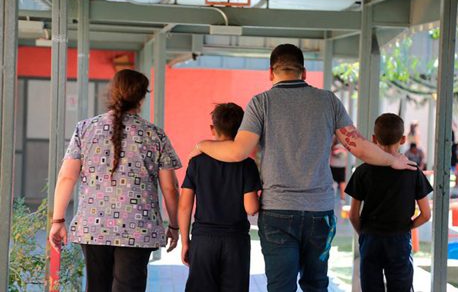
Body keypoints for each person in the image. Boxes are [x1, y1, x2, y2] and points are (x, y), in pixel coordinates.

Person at [190, 44, 416, 292]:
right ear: (304, 72)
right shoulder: (328, 100)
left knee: (281, 287)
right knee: (316, 284)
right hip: (319, 212)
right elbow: (358, 145)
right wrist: (393, 160)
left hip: (277, 211)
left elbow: (237, 152)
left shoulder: (260, 103)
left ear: (271, 73)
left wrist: (202, 144)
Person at [49, 69, 182, 292]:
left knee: (97, 287)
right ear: (141, 98)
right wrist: (175, 225)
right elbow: (170, 187)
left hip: (94, 227)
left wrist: (58, 220)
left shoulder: (85, 129)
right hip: (139, 229)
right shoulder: (154, 134)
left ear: (113, 93)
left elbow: (66, 177)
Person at [178, 103, 261, 292]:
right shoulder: (247, 164)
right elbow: (251, 208)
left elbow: (184, 206)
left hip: (203, 239)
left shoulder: (197, 162)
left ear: (212, 129)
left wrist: (185, 242)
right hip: (235, 240)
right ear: (241, 130)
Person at [346, 113, 432, 292]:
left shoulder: (362, 171)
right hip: (399, 239)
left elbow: (353, 215)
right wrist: (406, 227)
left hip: (371, 239)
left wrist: (365, 233)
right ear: (403, 139)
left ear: (374, 139)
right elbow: (426, 214)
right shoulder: (412, 171)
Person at [330, 137, 348, 201]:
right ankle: (341, 197)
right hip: (337, 166)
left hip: (337, 166)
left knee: (340, 182)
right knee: (339, 182)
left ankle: (341, 197)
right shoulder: (337, 146)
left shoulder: (335, 146)